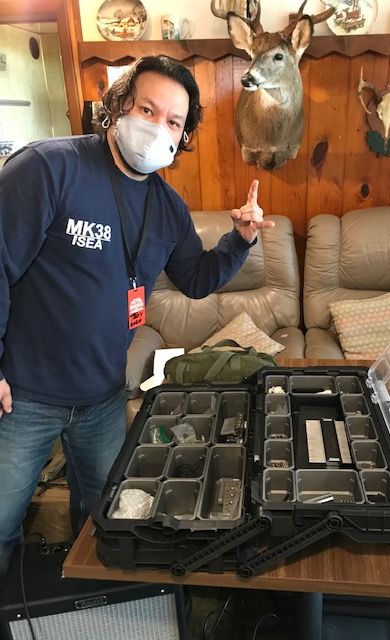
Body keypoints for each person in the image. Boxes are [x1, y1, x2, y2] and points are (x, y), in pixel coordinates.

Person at [0, 55, 274, 579]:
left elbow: (195, 278)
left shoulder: (168, 207)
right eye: (148, 109)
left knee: (102, 522)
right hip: (23, 396)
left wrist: (240, 240)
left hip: (103, 397)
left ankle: (83, 605)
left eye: (173, 121)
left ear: (182, 137)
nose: (157, 128)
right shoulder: (48, 168)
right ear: (120, 105)